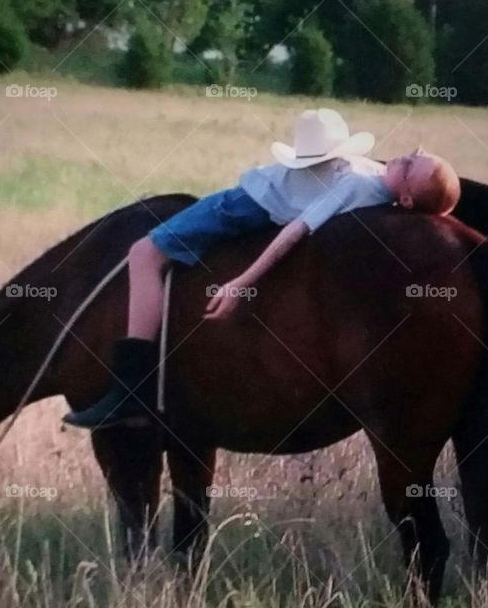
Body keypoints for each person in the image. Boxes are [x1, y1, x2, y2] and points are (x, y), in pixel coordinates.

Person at [64, 108, 460, 429]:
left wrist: (240, 282)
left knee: (144, 253)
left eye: (410, 166)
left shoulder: (357, 187)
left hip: (245, 203)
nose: (403, 156)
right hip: (279, 193)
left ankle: (130, 386)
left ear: (406, 199)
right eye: (413, 153)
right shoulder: (381, 186)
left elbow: (294, 232)